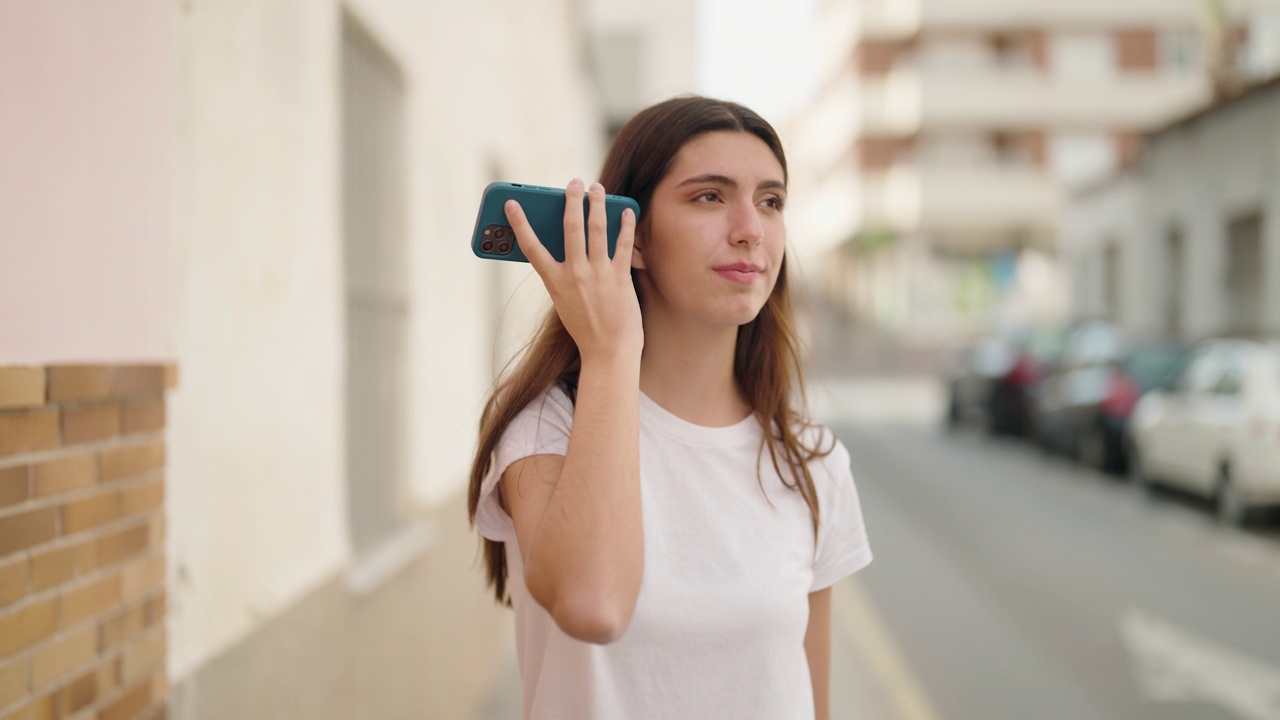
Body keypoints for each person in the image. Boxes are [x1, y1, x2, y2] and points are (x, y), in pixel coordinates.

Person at [468, 96, 872, 720]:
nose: (750, 228)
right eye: (709, 196)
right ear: (632, 234)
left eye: (771, 201)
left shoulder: (812, 460)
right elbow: (593, 604)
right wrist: (609, 352)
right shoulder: (546, 429)